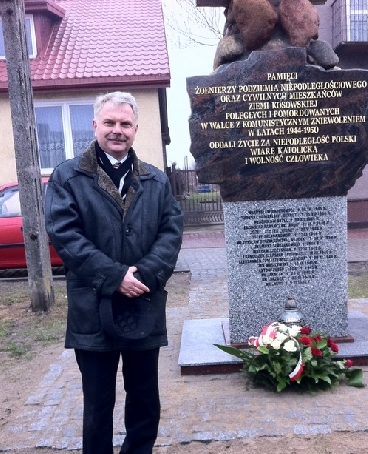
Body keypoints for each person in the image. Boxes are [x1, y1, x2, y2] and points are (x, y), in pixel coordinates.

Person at [45, 91, 184, 454]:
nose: (117, 130)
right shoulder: (68, 177)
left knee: (144, 404)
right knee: (97, 407)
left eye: (125, 124)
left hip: (143, 304)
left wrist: (146, 275)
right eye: (109, 123)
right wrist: (113, 276)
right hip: (93, 310)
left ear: (136, 129)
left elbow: (171, 231)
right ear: (95, 126)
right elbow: (65, 235)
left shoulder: (155, 180)